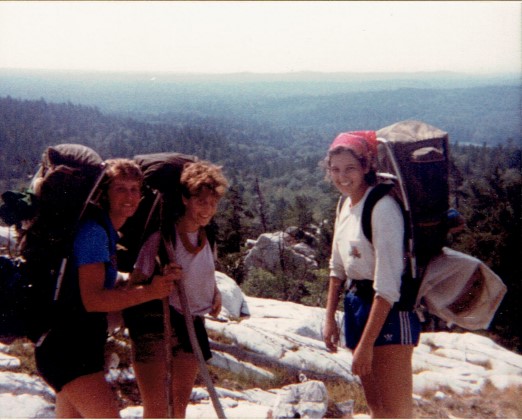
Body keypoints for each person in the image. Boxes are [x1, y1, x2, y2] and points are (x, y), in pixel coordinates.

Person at [35, 158, 177, 418]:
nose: (130, 196)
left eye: (135, 189)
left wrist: (134, 285)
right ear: (104, 194)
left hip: (73, 348)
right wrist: (150, 292)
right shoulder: (94, 233)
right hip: (68, 352)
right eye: (120, 189)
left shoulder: (104, 231)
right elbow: (93, 300)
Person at [322, 132, 421, 419]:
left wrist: (365, 345)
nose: (342, 177)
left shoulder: (382, 208)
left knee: (396, 412)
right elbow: (336, 267)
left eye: (350, 168)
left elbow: (388, 285)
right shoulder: (345, 204)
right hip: (357, 306)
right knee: (377, 407)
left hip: (388, 311)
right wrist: (330, 318)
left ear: (366, 167)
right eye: (336, 170)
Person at [127, 160, 228, 418]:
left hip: (191, 324)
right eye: (201, 202)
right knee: (158, 408)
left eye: (213, 203)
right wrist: (158, 282)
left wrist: (214, 293)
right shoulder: (161, 239)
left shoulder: (207, 235)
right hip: (155, 324)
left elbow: (204, 268)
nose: (208, 210)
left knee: (179, 405)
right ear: (185, 199)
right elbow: (135, 283)